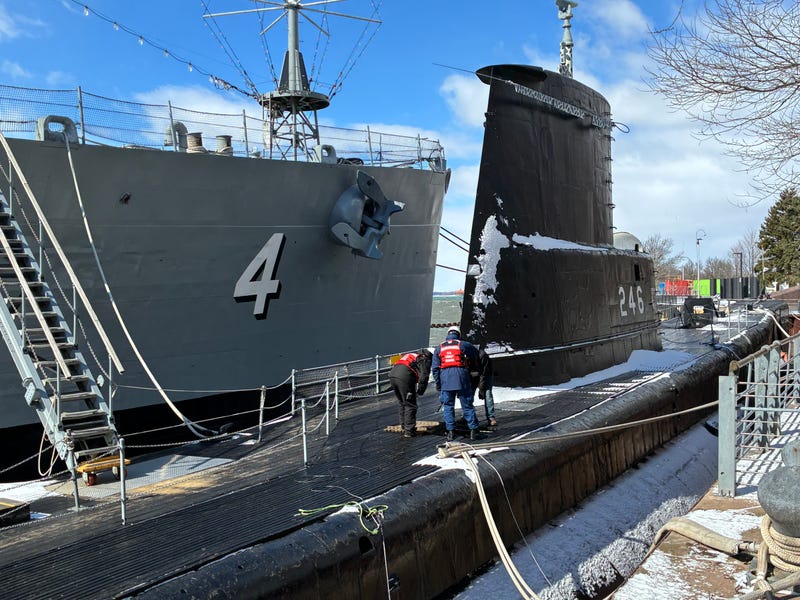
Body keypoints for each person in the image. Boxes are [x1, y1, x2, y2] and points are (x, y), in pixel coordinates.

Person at [432, 326, 483, 441]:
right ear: (458, 334)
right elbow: (476, 353)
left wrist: (438, 384)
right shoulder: (462, 344)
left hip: (446, 379)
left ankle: (450, 432)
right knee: (467, 405)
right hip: (461, 377)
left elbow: (435, 369)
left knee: (448, 406)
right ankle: (473, 431)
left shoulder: (439, 348)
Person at [389, 349, 432, 438]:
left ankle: (404, 426)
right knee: (410, 404)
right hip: (404, 377)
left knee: (402, 402)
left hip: (393, 375)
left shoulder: (412, 355)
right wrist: (420, 391)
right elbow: (424, 376)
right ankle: (409, 431)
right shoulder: (424, 359)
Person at [476, 348, 497, 428]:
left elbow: (483, 377)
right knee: (468, 396)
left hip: (485, 373)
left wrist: (481, 391)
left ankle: (491, 417)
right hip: (473, 373)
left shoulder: (482, 355)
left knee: (488, 394)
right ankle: (467, 417)